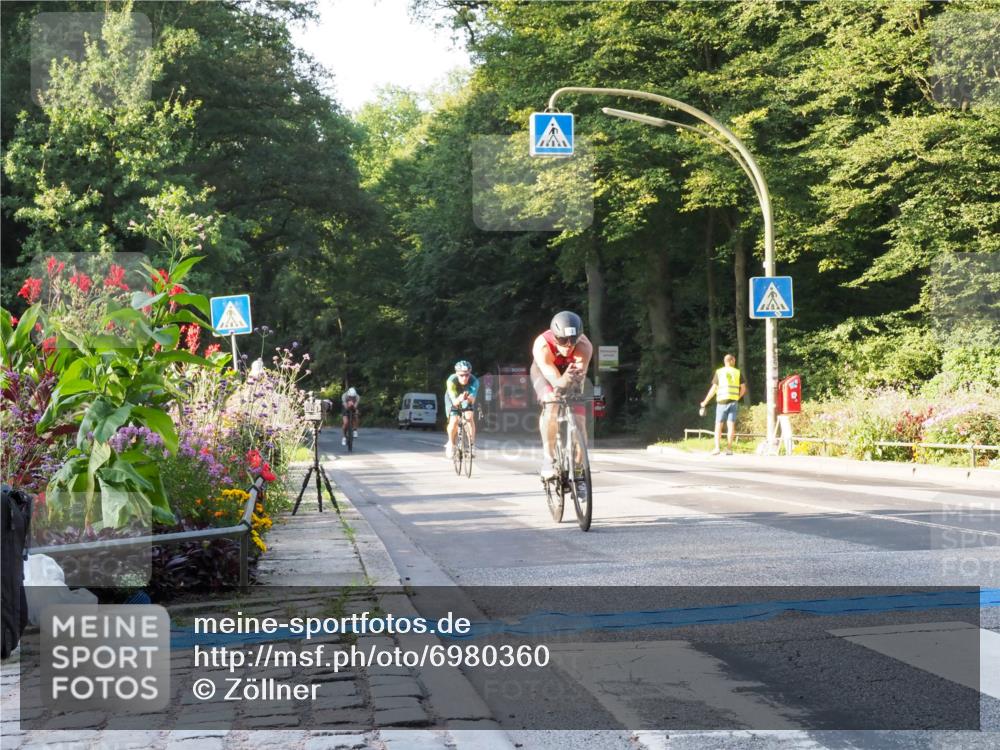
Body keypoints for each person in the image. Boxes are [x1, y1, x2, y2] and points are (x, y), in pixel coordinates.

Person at [530, 311, 593, 479]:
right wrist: (562, 382)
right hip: (545, 374)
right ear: (554, 336)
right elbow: (556, 382)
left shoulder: (585, 346)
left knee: (580, 421)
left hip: (569, 374)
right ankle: (548, 460)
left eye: (573, 340)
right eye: (563, 340)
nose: (568, 345)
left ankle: (579, 472)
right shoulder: (542, 346)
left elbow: (578, 380)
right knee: (551, 403)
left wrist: (576, 387)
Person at [699, 354, 747, 455]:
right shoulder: (737, 372)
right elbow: (743, 389)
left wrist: (705, 401)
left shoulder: (719, 372)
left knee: (718, 425)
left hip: (721, 402)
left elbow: (713, 389)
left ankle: (717, 448)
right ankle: (729, 449)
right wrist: (737, 397)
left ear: (725, 361)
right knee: (731, 425)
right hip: (733, 402)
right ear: (732, 361)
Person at [445, 360, 479, 459]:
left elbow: (472, 401)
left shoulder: (474, 381)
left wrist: (468, 398)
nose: (464, 378)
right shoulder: (451, 380)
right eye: (461, 375)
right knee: (454, 420)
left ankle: (472, 445)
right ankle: (451, 444)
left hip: (466, 397)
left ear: (470, 373)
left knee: (469, 416)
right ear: (456, 373)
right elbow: (455, 402)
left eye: (467, 375)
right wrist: (459, 399)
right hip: (453, 398)